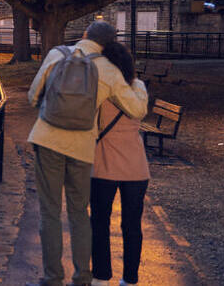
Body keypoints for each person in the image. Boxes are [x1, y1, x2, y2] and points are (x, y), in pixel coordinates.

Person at [26, 21, 148, 286]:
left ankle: (52, 278)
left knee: (49, 211)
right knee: (79, 212)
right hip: (81, 147)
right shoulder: (109, 71)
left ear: (84, 35)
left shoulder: (57, 54)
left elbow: (33, 95)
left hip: (47, 140)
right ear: (109, 44)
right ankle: (82, 277)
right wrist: (137, 85)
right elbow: (137, 110)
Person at [90, 41, 150, 286]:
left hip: (104, 162)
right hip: (136, 165)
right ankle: (131, 278)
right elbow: (140, 112)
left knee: (100, 224)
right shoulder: (139, 87)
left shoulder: (99, 89)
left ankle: (102, 276)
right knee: (132, 226)